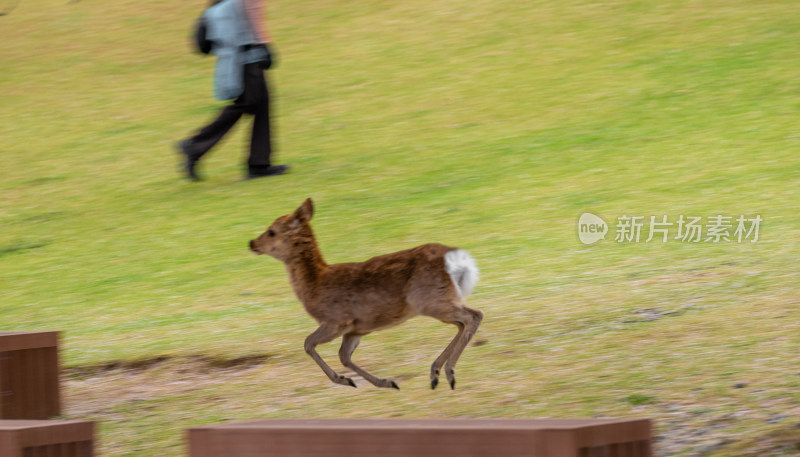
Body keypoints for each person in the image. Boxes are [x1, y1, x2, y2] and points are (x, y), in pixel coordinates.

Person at [176, 0, 288, 181]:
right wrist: (264, 45)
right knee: (248, 103)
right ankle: (194, 145)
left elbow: (205, 43)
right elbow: (253, 15)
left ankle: (259, 163)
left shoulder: (220, 6)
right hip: (247, 57)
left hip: (241, 56)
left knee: (262, 103)